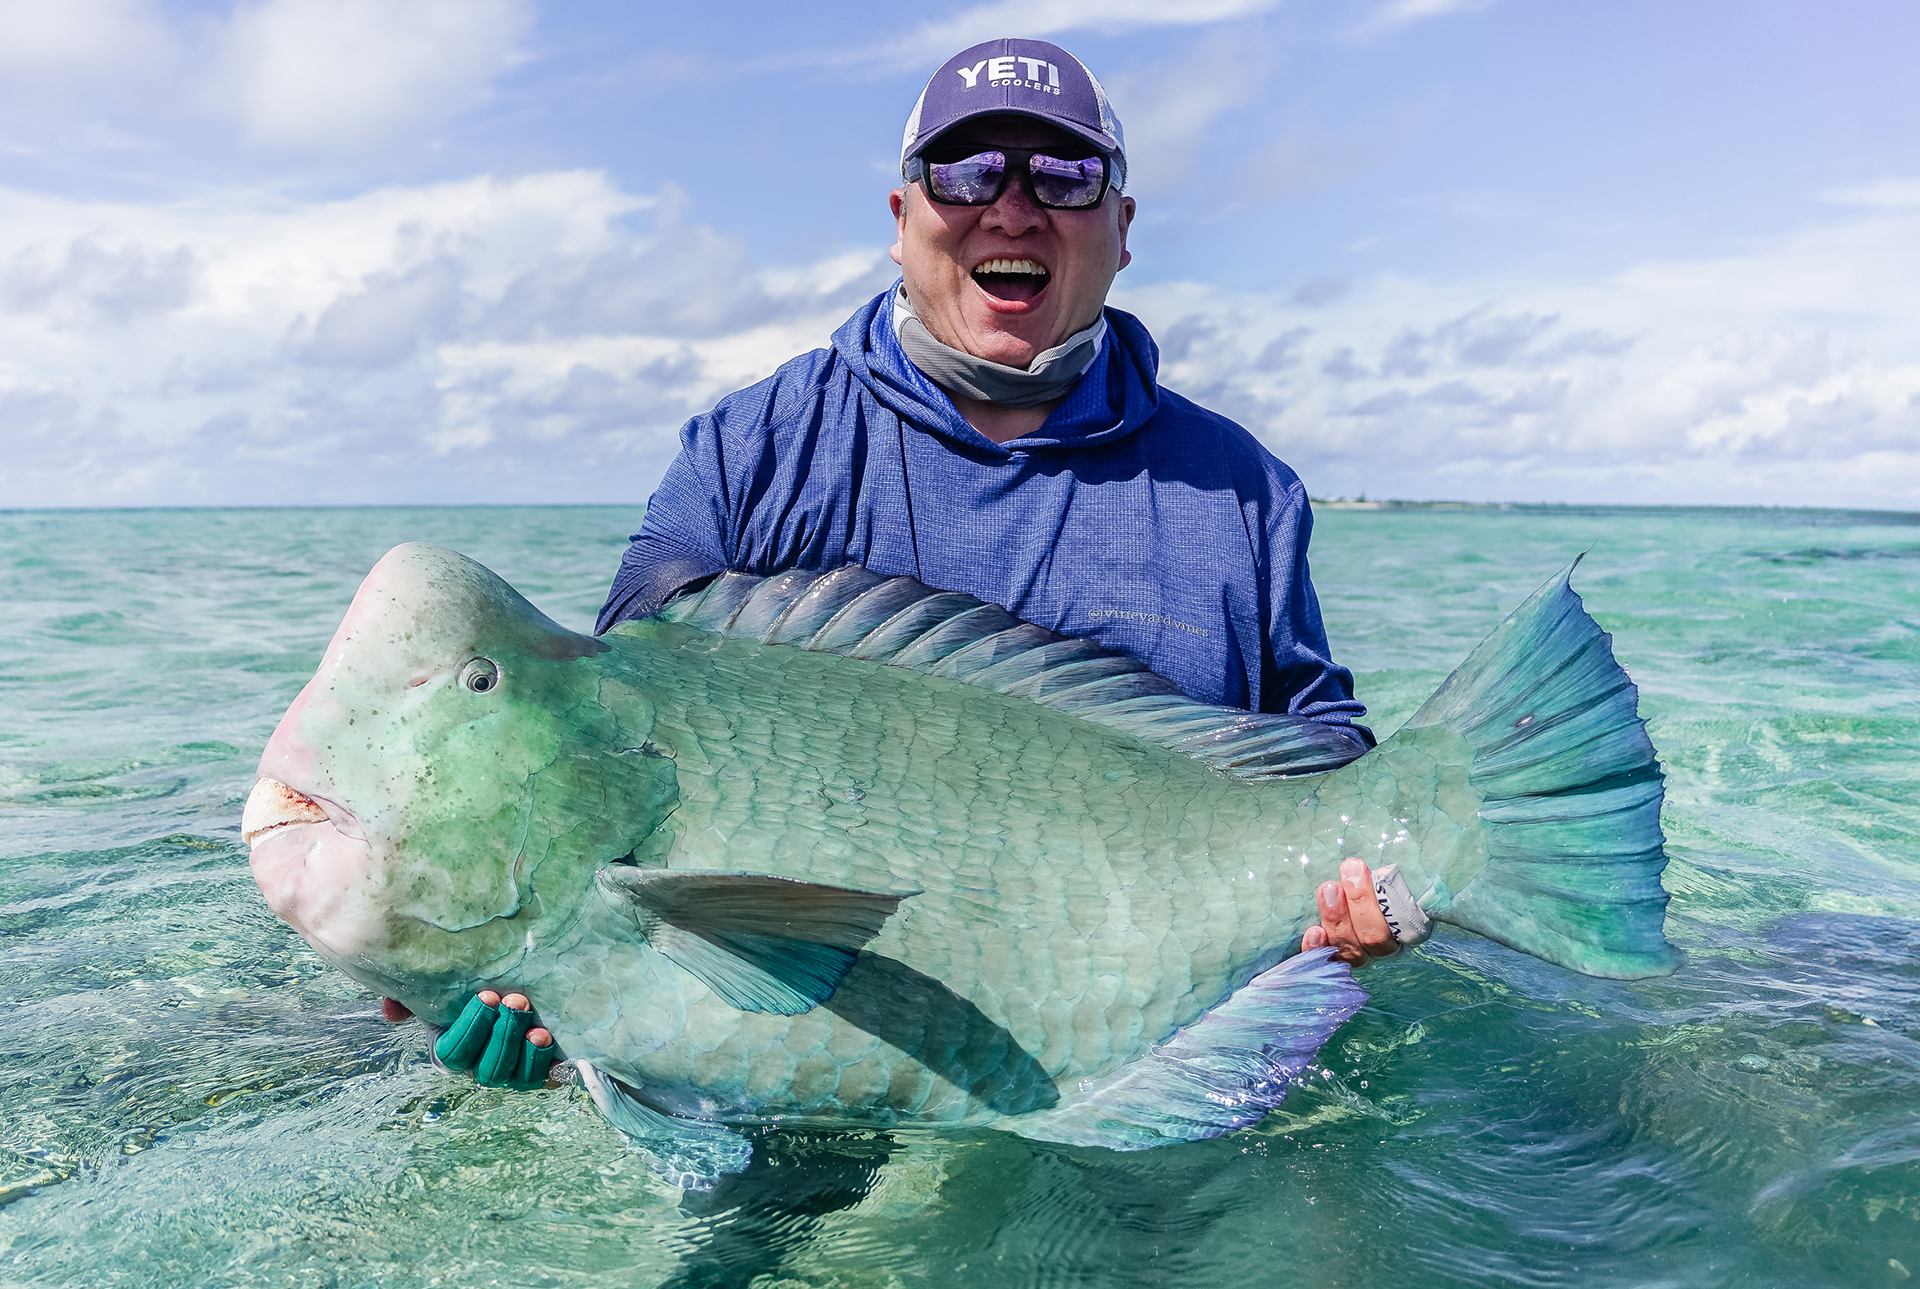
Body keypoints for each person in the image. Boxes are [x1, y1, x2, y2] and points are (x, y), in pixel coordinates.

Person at [387, 37, 1404, 1070]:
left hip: (1143, 1046)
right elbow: (619, 771)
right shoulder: (748, 453)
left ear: (1123, 226)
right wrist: (525, 969)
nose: (1012, 206)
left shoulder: (1243, 490)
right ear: (900, 218)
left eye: (1064, 173)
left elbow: (1324, 753)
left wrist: (1374, 895)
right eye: (967, 171)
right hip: (802, 1077)